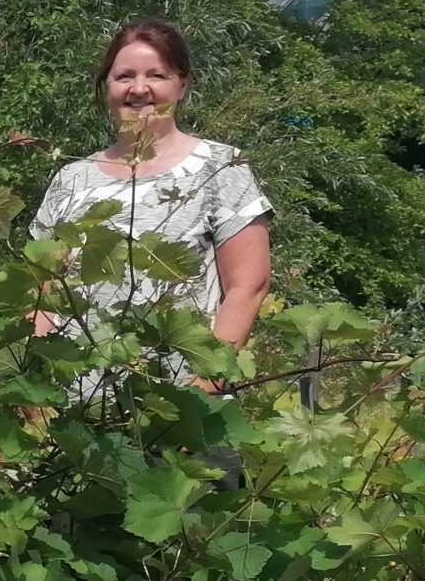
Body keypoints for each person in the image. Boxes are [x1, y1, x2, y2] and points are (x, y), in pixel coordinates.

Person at [29, 19, 272, 379]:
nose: (139, 89)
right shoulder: (72, 179)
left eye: (156, 76)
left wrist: (205, 387)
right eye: (124, 76)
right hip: (71, 410)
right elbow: (41, 294)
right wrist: (35, 386)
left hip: (178, 407)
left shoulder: (221, 167)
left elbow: (248, 287)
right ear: (106, 85)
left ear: (182, 84)